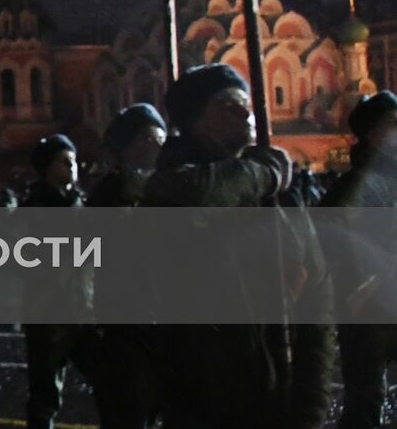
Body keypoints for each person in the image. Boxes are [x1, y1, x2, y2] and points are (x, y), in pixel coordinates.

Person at [143, 63, 335, 429]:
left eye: (245, 104)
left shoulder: (280, 198)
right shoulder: (171, 184)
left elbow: (317, 300)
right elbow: (198, 196)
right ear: (195, 119)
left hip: (281, 399)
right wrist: (263, 171)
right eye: (227, 105)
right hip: (202, 403)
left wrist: (311, 406)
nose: (245, 113)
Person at [88, 103, 168, 429]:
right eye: (147, 140)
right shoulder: (110, 195)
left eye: (161, 140)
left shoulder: (167, 190)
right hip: (128, 331)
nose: (157, 148)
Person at [321, 91, 397, 429]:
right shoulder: (361, 180)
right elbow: (331, 229)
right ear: (372, 133)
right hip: (369, 304)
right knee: (366, 397)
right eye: (393, 124)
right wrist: (368, 275)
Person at [20, 134, 97, 429]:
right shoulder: (32, 210)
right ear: (47, 167)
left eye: (73, 160)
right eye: (63, 161)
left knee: (111, 380)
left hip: (85, 310)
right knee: (44, 396)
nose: (72, 166)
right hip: (48, 313)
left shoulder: (83, 206)